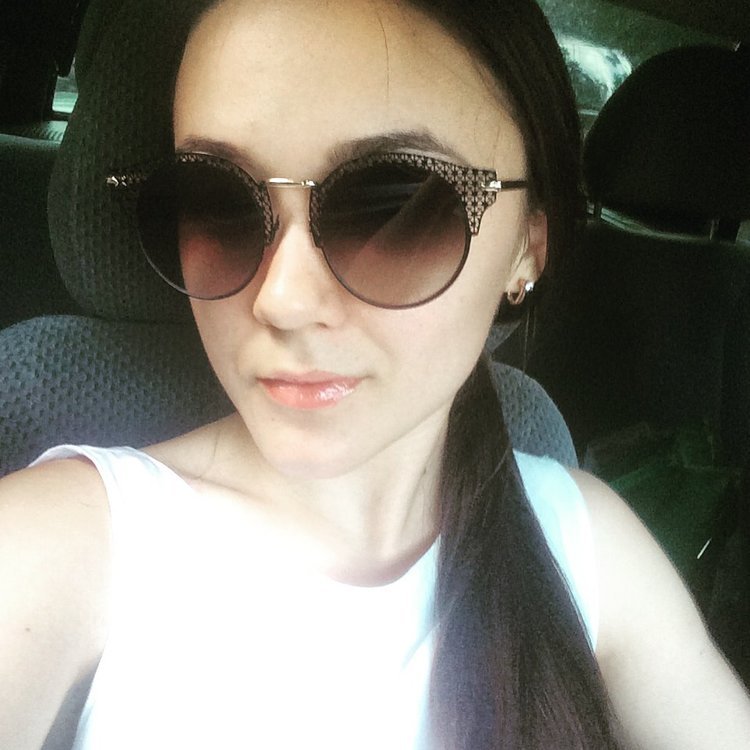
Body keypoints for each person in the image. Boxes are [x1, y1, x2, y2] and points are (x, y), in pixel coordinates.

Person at [1, 0, 749, 748]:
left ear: (527, 247)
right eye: (215, 204)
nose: (283, 301)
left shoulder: (586, 544)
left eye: (393, 207)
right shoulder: (55, 546)